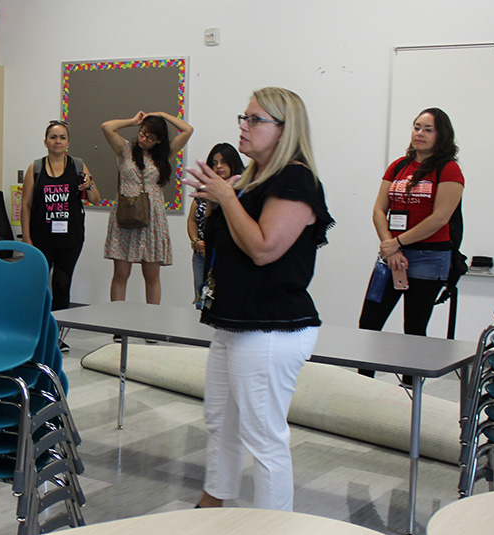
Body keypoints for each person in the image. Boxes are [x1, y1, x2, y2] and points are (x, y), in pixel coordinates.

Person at [185, 87, 333, 511]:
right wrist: (222, 200)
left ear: (284, 129)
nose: (242, 127)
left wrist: (227, 199)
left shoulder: (297, 180)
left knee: (263, 436)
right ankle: (212, 506)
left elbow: (264, 248)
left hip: (271, 326)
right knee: (220, 421)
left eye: (254, 120)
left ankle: (274, 532)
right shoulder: (251, 180)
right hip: (234, 321)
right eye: (243, 117)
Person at [357, 108, 463, 384]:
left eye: (428, 129)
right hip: (391, 254)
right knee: (369, 323)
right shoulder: (398, 166)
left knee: (414, 330)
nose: (420, 133)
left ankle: (409, 389)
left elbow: (440, 218)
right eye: (417, 127)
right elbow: (379, 210)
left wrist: (397, 243)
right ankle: (362, 385)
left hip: (429, 257)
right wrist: (389, 246)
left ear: (441, 135)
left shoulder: (448, 169)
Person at [100, 111, 193, 305]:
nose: (144, 139)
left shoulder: (163, 155)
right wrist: (133, 121)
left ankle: (152, 325)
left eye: (150, 137)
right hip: (126, 214)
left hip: (152, 219)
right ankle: (117, 324)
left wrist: (161, 114)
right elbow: (106, 126)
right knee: (121, 274)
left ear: (159, 141)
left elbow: (187, 130)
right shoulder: (125, 149)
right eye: (142, 133)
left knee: (151, 276)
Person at [20, 120, 101, 325]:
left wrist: (89, 186)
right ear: (45, 141)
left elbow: (95, 199)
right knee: (36, 284)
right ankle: (35, 329)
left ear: (68, 143)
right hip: (41, 238)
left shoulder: (78, 166)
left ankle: (57, 333)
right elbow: (26, 205)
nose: (57, 141)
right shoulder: (35, 168)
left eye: (62, 137)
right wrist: (27, 238)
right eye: (53, 137)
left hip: (70, 239)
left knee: (62, 285)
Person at [188, 143, 242, 308]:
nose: (218, 166)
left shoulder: (241, 191)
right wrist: (196, 241)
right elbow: (192, 220)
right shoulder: (204, 191)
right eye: (214, 162)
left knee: (225, 303)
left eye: (223, 162)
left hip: (226, 255)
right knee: (202, 303)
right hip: (202, 255)